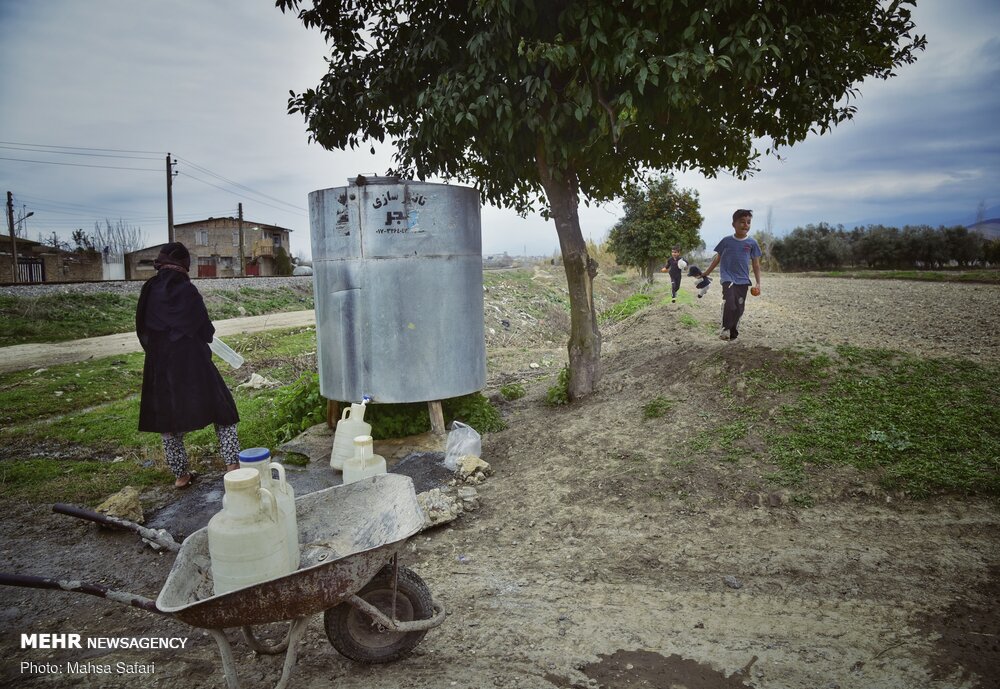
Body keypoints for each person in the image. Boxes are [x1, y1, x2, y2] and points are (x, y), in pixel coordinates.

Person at [136, 242, 241, 488]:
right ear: (184, 265)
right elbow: (206, 331)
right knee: (223, 412)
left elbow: (142, 329)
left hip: (160, 365)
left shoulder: (149, 289)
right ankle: (233, 466)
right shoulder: (187, 290)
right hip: (193, 362)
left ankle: (181, 476)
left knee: (168, 423)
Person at [699, 209, 762, 341]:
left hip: (743, 280)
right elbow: (717, 259)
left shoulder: (752, 243)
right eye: (742, 222)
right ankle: (725, 328)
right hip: (728, 278)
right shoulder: (726, 241)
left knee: (739, 307)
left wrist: (758, 283)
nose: (745, 225)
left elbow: (756, 265)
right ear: (733, 224)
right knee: (730, 303)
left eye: (748, 222)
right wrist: (706, 273)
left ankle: (733, 329)